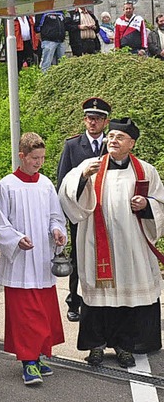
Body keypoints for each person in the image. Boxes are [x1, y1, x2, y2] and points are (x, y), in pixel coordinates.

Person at [59, 118, 164, 368]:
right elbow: (66, 193)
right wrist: (83, 177)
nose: (112, 140)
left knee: (126, 297)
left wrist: (146, 205)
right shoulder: (91, 165)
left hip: (131, 246)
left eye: (119, 137)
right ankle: (95, 346)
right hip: (97, 243)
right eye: (111, 136)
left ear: (132, 143)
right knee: (97, 297)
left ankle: (124, 345)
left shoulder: (146, 171)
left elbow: (160, 201)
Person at [0, 132, 68, 385]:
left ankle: (39, 356)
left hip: (43, 260)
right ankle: (28, 363)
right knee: (26, 315)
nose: (39, 162)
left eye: (43, 158)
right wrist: (15, 239)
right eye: (35, 158)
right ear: (21, 156)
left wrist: (57, 231)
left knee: (43, 313)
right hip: (21, 264)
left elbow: (56, 216)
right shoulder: (6, 185)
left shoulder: (46, 184)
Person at [56, 97, 111, 323]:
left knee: (104, 256)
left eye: (98, 119)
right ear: (84, 120)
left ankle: (102, 300)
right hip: (80, 211)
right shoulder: (73, 145)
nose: (93, 123)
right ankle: (74, 301)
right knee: (78, 258)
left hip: (106, 211)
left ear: (105, 122)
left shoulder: (113, 144)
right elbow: (62, 181)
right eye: (89, 118)